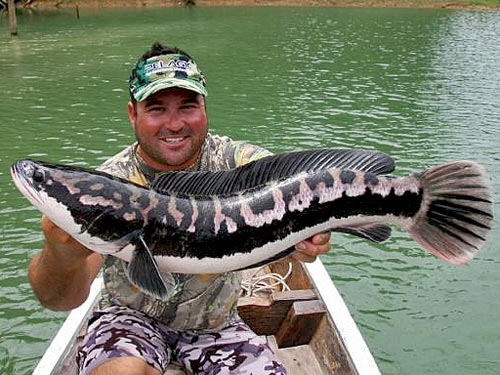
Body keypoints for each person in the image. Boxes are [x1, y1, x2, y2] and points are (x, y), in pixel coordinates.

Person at [28, 42, 332, 375]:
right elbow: (60, 300)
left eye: (187, 106)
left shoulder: (238, 165)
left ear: (204, 107)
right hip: (129, 322)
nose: (174, 124)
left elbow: (293, 179)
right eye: (157, 108)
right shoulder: (108, 185)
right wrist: (60, 253)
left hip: (218, 327)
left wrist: (309, 234)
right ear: (133, 113)